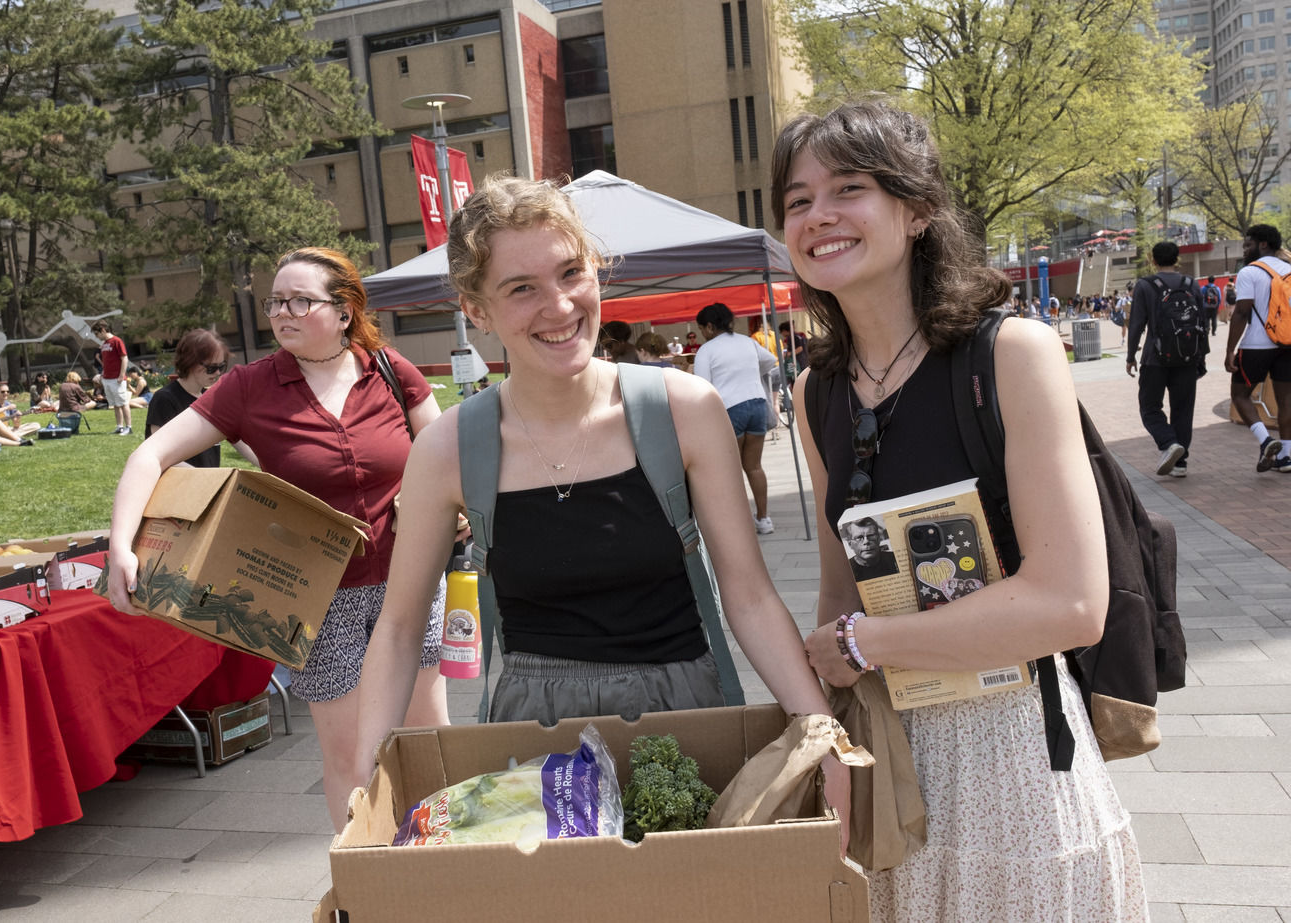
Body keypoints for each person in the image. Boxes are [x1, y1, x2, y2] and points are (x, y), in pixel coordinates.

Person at [352, 174, 852, 849]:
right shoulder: (450, 447)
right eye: (521, 287)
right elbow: (401, 625)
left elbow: (751, 595)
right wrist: (366, 778)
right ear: (477, 308)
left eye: (570, 272)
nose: (558, 305)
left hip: (683, 720)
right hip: (534, 742)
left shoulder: (683, 410)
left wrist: (820, 732)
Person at [776, 101, 1145, 919]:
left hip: (1013, 756)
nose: (819, 216)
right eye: (798, 201)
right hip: (888, 766)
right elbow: (844, 590)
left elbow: (1071, 604)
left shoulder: (1009, 354)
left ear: (916, 211)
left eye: (849, 188)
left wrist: (864, 643)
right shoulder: (816, 391)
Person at [107, 247, 449, 827]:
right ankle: (366, 883)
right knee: (349, 756)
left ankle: (449, 865)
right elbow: (151, 456)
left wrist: (451, 507)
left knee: (429, 739)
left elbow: (445, 455)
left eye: (300, 300)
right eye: (275, 301)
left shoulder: (390, 370)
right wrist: (121, 545)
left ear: (343, 312)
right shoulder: (250, 387)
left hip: (410, 580)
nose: (282, 312)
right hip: (317, 598)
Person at [693, 301, 779, 535]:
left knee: (730, 469)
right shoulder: (747, 341)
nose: (702, 333)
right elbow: (771, 361)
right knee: (754, 466)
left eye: (701, 329)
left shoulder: (707, 350)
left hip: (730, 409)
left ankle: (739, 524)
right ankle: (764, 518)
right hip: (758, 404)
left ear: (709, 327)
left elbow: (701, 386)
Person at [1126, 241, 1205, 478]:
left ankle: (1168, 442)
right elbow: (1202, 321)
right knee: (1183, 408)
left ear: (1153, 259)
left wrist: (1130, 356)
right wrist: (1201, 357)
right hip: (1188, 356)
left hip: (1155, 357)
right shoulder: (1192, 284)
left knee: (1149, 406)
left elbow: (1137, 323)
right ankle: (1181, 464)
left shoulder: (1145, 285)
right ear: (1177, 259)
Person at [1225, 224, 1291, 473]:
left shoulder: (1249, 272)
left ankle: (1265, 440)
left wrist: (1230, 350)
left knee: (1240, 395)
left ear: (1263, 244)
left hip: (1256, 345)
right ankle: (1286, 457)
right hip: (1288, 343)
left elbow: (1241, 311)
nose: (1244, 250)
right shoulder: (1290, 269)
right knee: (1286, 401)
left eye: (1247, 244)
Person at [145, 329, 256, 468]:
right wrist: (204, 478)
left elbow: (240, 442)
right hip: (179, 486)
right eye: (211, 367)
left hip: (207, 485)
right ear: (190, 361)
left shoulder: (213, 399)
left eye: (221, 367)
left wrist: (268, 466)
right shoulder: (165, 399)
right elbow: (157, 454)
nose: (217, 373)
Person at [92, 320, 132, 434]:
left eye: (97, 334)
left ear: (103, 330)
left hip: (117, 379)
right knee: (115, 404)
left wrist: (121, 375)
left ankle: (128, 427)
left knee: (123, 403)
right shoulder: (104, 344)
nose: (97, 336)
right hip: (107, 379)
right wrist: (103, 375)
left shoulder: (117, 341)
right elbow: (107, 362)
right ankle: (119, 426)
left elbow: (124, 358)